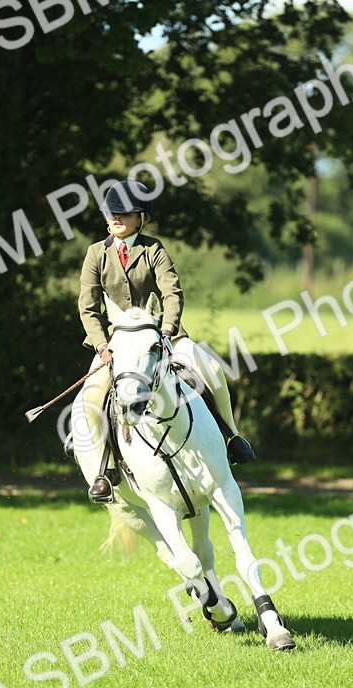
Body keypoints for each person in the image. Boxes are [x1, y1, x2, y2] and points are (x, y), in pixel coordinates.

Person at [77, 178, 255, 503]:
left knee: (212, 369)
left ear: (140, 217)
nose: (116, 219)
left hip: (162, 336)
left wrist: (169, 328)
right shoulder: (96, 254)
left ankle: (231, 435)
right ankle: (106, 466)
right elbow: (87, 307)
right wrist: (102, 345)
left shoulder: (153, 249)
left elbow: (172, 291)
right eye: (111, 213)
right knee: (91, 398)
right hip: (116, 344)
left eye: (124, 213)